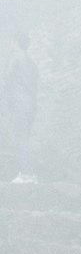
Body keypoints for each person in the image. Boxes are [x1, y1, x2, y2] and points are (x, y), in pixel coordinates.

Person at [2, 34, 39, 183]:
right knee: (25, 139)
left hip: (19, 104)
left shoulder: (16, 58)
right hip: (30, 106)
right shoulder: (32, 64)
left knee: (19, 139)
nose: (10, 45)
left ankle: (26, 174)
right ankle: (28, 173)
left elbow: (7, 81)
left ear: (16, 43)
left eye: (11, 42)